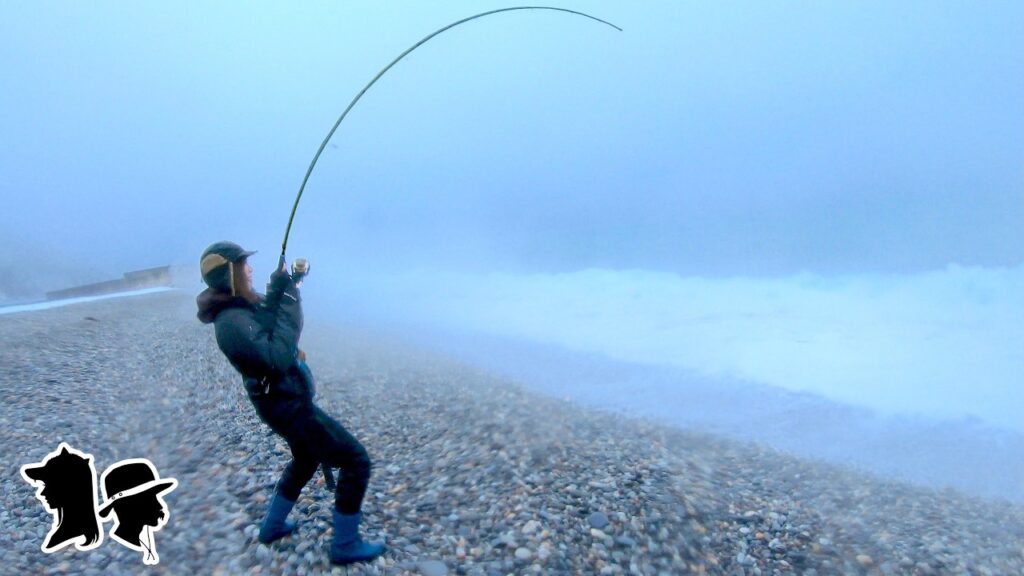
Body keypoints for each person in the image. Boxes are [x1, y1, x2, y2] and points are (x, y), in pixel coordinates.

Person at [195, 241, 385, 566]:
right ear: (229, 273)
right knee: (356, 460)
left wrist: (282, 284)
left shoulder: (237, 308)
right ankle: (345, 545)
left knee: (306, 459)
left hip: (281, 404)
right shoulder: (230, 322)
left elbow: (265, 319)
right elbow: (277, 356)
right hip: (288, 407)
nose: (250, 268)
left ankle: (271, 527)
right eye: (243, 265)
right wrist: (289, 299)